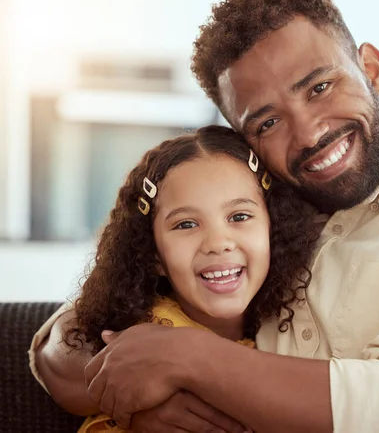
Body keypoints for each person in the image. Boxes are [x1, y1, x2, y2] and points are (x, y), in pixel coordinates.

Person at [31, 0, 379, 432]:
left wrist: (185, 359)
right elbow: (63, 339)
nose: (309, 131)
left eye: (319, 87)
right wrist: (138, 397)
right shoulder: (265, 228)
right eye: (267, 121)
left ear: (373, 69)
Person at [36, 125, 318, 432]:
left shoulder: (291, 331)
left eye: (239, 217)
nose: (217, 242)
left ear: (273, 229)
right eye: (186, 224)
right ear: (153, 253)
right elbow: (66, 359)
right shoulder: (137, 337)